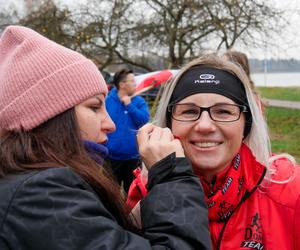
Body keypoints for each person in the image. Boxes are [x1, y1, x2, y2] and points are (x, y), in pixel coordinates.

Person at [0, 25, 212, 249]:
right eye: (94, 107)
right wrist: (172, 176)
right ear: (49, 115)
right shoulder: (40, 194)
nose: (108, 124)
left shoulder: (29, 184)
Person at [128, 54, 300, 249]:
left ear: (246, 124)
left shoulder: (290, 189)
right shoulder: (145, 190)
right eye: (189, 111)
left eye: (223, 111)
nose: (205, 125)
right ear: (169, 124)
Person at [105, 68, 150, 192]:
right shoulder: (107, 101)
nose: (135, 84)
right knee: (110, 193)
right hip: (111, 158)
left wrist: (130, 105)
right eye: (132, 81)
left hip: (133, 158)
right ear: (122, 84)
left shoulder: (139, 101)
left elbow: (144, 121)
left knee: (132, 193)